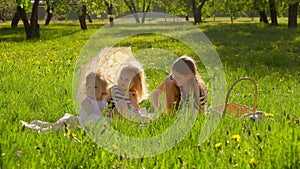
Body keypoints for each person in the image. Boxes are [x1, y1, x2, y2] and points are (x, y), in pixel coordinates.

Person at [20, 72, 110, 133]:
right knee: (52, 130)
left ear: (103, 90)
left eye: (95, 87)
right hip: (74, 123)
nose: (92, 90)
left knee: (54, 126)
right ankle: (31, 128)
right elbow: (91, 117)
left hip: (78, 121)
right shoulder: (87, 102)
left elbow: (104, 113)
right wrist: (107, 120)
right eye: (89, 87)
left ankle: (38, 123)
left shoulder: (102, 101)